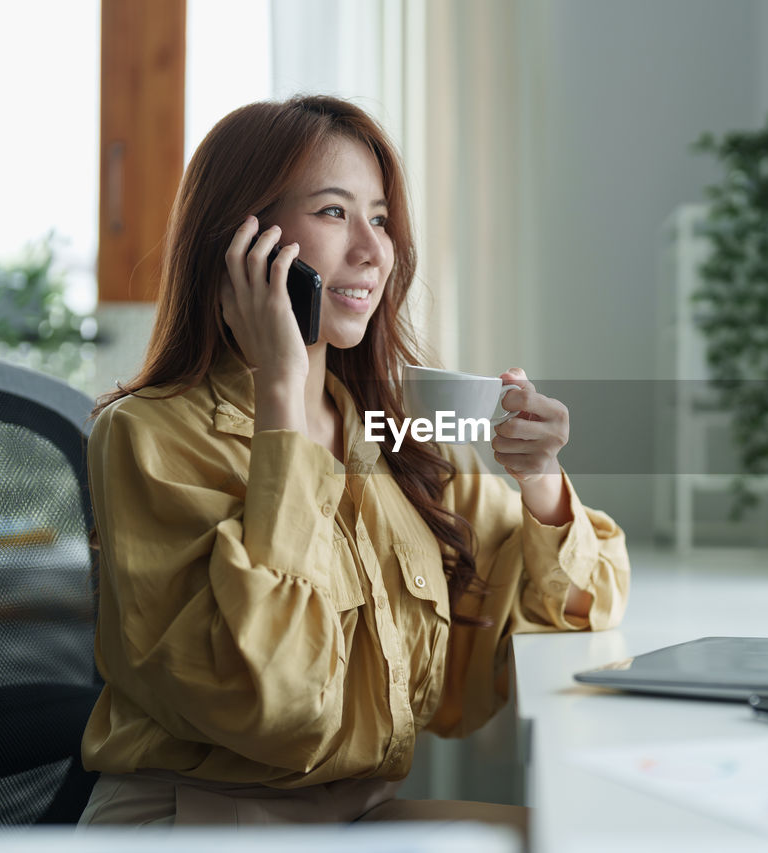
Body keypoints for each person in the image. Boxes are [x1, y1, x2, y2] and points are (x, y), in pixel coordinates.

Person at [76, 95, 630, 835]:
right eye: (335, 213)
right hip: (203, 822)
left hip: (356, 819)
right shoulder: (148, 435)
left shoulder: (388, 434)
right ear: (243, 239)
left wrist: (539, 482)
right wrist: (281, 392)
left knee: (591, 837)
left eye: (379, 217)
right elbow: (274, 703)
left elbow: (576, 609)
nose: (373, 250)